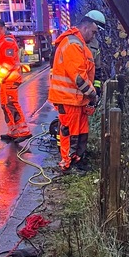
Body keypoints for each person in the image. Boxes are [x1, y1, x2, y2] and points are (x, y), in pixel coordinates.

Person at [49, 11, 106, 173]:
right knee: (70, 133)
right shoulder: (73, 44)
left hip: (76, 99)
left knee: (80, 132)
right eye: (93, 32)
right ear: (86, 27)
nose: (94, 37)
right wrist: (93, 94)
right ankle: (67, 163)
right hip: (68, 99)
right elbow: (79, 77)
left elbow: (89, 72)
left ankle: (76, 160)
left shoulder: (79, 44)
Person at [0, 19, 32, 142]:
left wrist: (0, 77)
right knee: (5, 105)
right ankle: (13, 131)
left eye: (0, 29)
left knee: (11, 104)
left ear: (4, 28)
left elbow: (9, 63)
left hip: (9, 80)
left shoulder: (8, 42)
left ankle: (24, 131)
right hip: (3, 81)